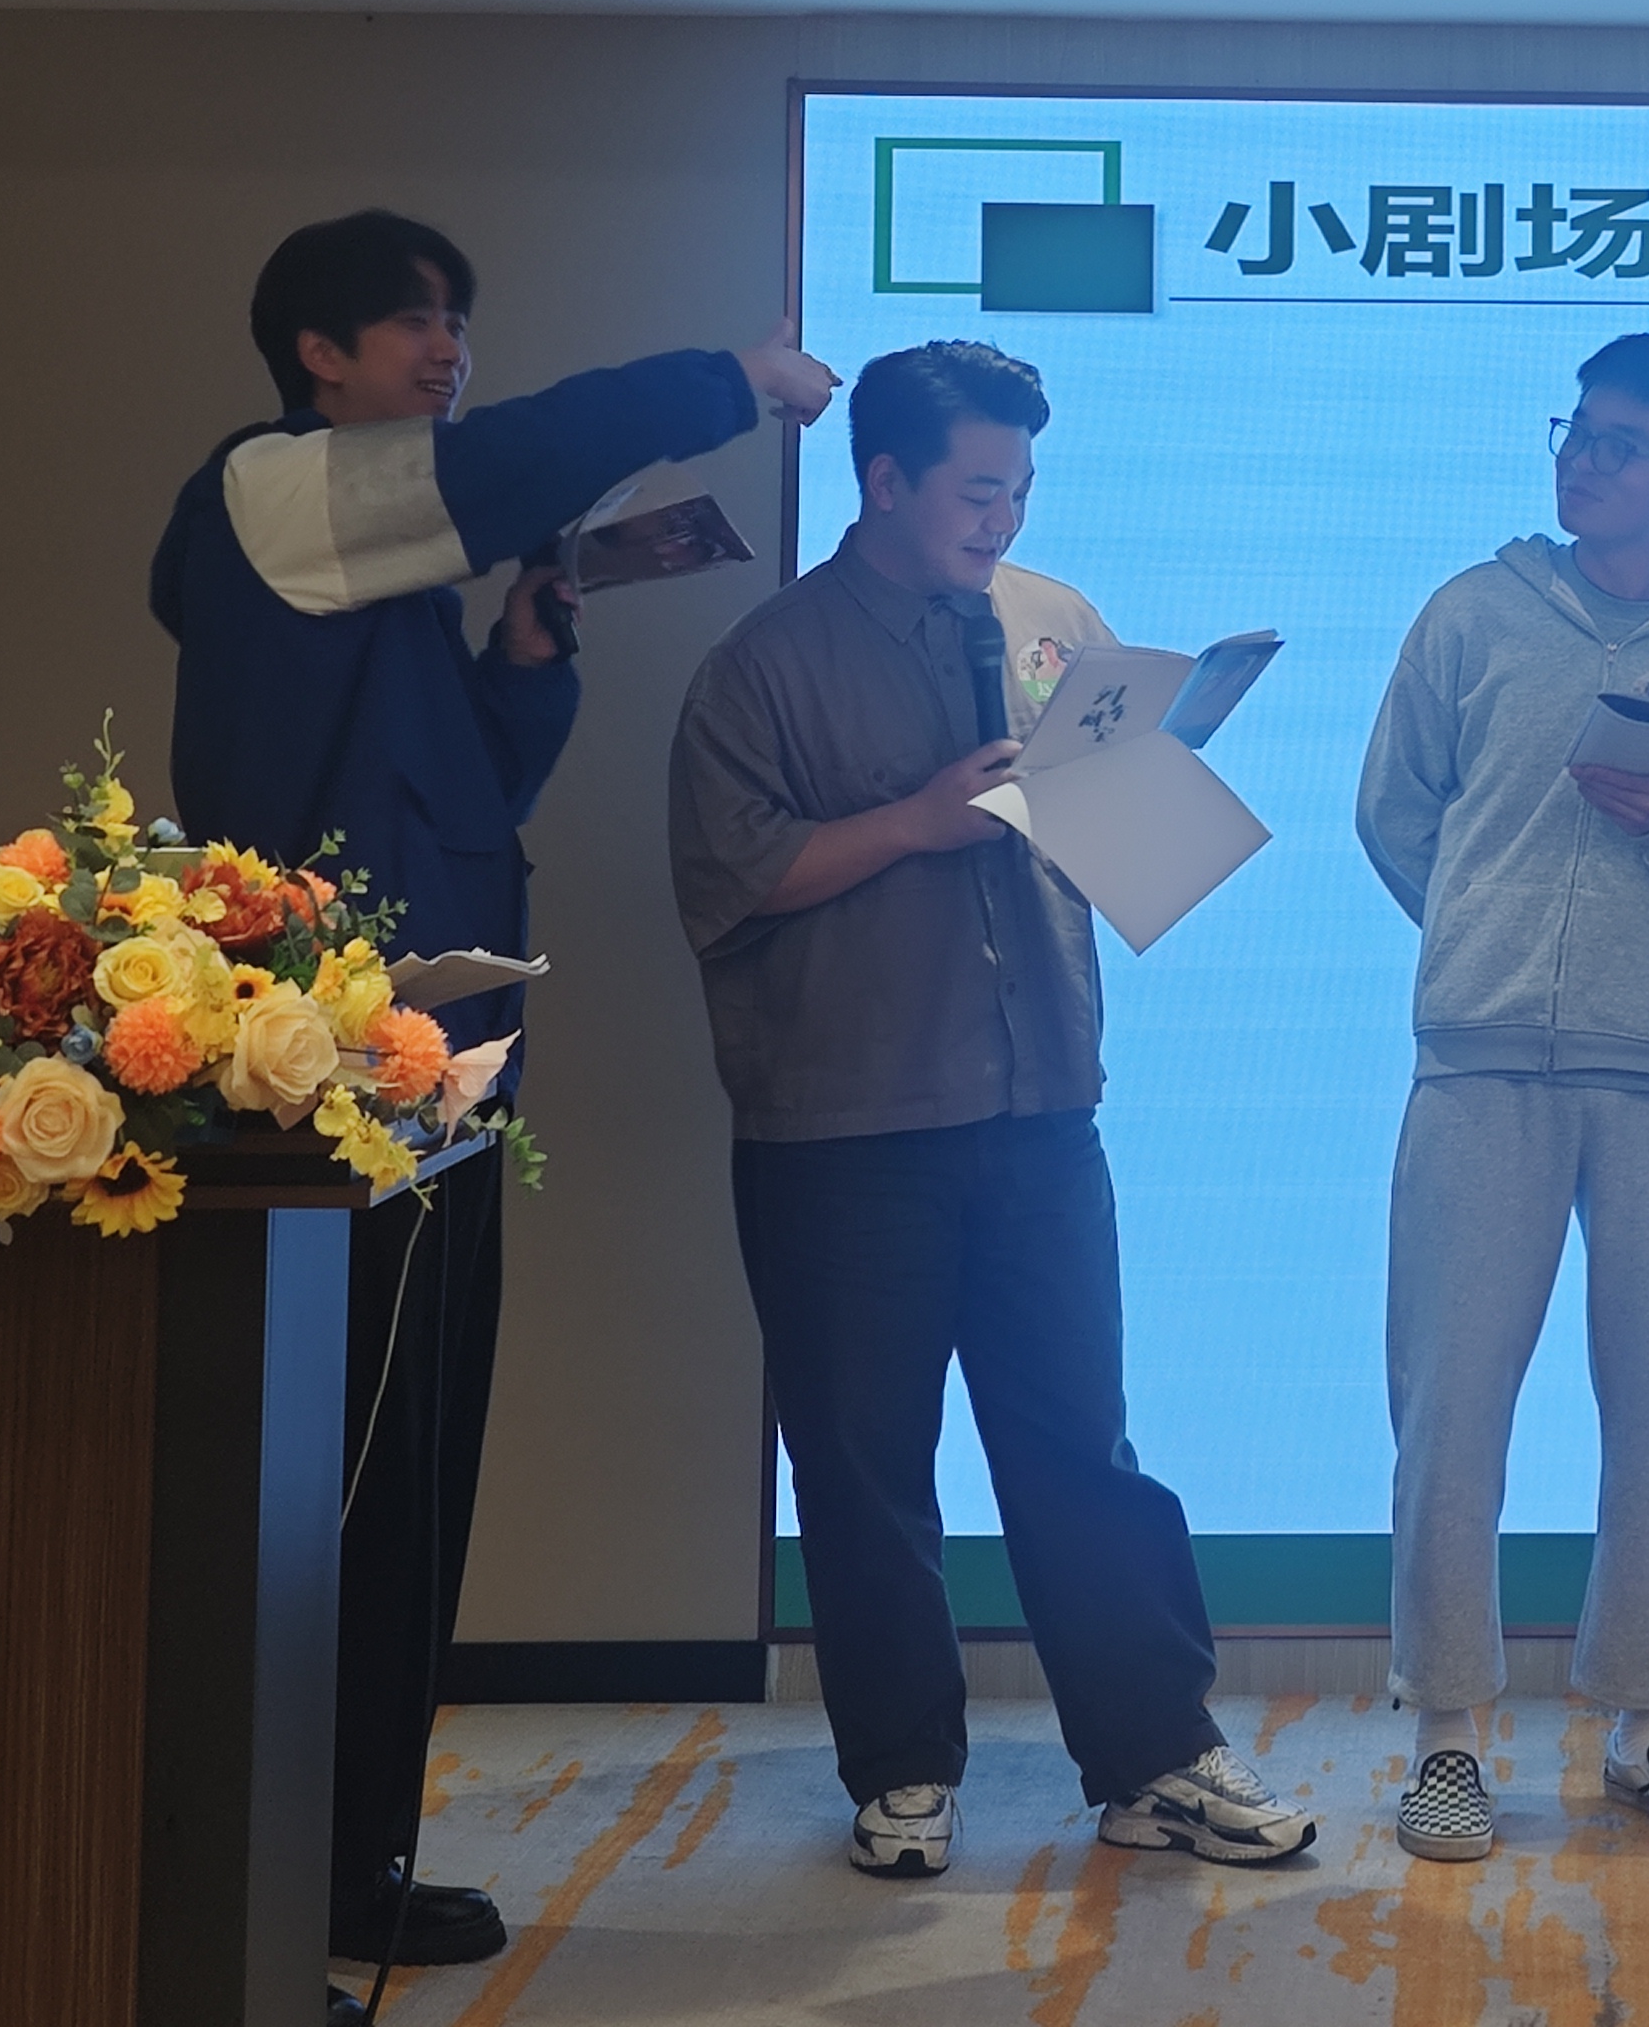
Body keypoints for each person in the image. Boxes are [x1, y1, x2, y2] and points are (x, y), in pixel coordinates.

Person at [151, 210, 837, 2003]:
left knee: (414, 1470)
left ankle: (348, 1860)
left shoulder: (369, 549)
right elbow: (516, 459)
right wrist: (725, 379)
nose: (447, 351)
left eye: (458, 320)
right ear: (318, 356)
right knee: (328, 1488)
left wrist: (526, 662)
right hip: (303, 1095)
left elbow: (456, 792)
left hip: (430, 1072)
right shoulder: (271, 489)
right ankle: (261, 1876)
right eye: (413, 325)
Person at [665, 340, 1311, 1878]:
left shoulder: (1055, 621)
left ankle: (1156, 1755)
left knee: (1083, 1444)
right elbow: (727, 882)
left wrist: (1156, 772)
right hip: (842, 1127)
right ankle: (902, 1773)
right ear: (884, 481)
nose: (1003, 519)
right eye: (975, 491)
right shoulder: (765, 663)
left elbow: (1113, 844)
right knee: (863, 1466)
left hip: (1040, 1110)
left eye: (1020, 489)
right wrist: (913, 821)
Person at [1356, 333, 1649, 1863]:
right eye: (1577, 431)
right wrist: (1480, 938)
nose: (1586, 461)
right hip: (1480, 1061)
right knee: (1449, 1409)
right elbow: (1396, 815)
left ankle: (1646, 1724)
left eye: (1624, 445)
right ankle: (1447, 1738)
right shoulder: (1471, 612)